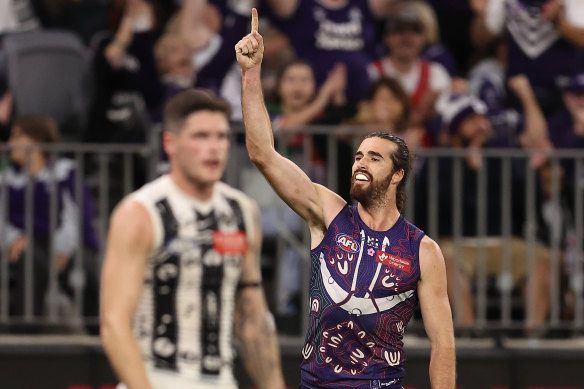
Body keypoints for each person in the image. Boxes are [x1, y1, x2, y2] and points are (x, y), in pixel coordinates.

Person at [236, 9, 455, 388]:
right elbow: (263, 154)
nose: (360, 162)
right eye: (357, 155)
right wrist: (251, 73)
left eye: (374, 157)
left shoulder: (423, 250)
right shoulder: (328, 212)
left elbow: (443, 345)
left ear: (398, 174)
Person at [99, 89, 285, 389]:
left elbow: (252, 317)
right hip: (155, 378)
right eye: (201, 136)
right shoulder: (140, 213)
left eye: (222, 137)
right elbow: (114, 323)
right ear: (169, 143)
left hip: (222, 380)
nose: (215, 148)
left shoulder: (242, 211)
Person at [0, 115, 100, 331]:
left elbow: (76, 213)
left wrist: (62, 249)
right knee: (31, 258)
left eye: (17, 135)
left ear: (36, 140)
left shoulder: (66, 171)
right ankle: (25, 337)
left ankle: (101, 333)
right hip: (26, 245)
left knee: (81, 266)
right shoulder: (6, 177)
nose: (10, 142)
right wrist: (13, 237)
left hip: (67, 243)